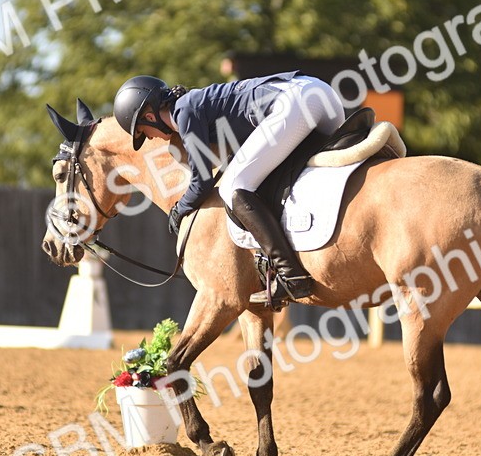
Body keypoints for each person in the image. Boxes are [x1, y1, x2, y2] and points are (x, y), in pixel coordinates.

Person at [113, 72, 345, 305]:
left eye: (144, 132)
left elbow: (202, 181)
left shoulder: (184, 112)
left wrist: (179, 207)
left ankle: (291, 273)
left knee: (233, 186)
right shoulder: (196, 104)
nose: (151, 139)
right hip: (322, 94)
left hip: (295, 102)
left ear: (150, 116)